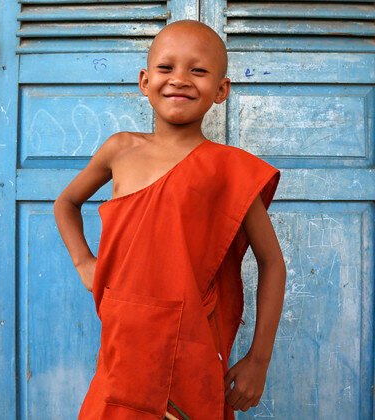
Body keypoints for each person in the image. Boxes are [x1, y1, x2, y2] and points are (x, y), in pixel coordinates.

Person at [54, 20, 286, 419]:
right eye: (166, 68)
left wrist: (258, 360)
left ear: (221, 90)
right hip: (124, 337)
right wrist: (84, 263)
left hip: (192, 340)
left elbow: (272, 262)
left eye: (198, 71)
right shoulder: (120, 149)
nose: (179, 80)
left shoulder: (230, 169)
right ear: (144, 81)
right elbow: (66, 203)